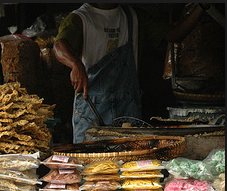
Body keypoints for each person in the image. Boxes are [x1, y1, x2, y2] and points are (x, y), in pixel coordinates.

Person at [53, 3, 210, 143]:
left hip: (127, 109)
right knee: (90, 166)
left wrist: (201, 7)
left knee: (131, 167)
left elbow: (175, 34)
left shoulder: (134, 17)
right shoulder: (80, 19)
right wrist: (75, 64)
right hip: (92, 111)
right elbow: (59, 46)